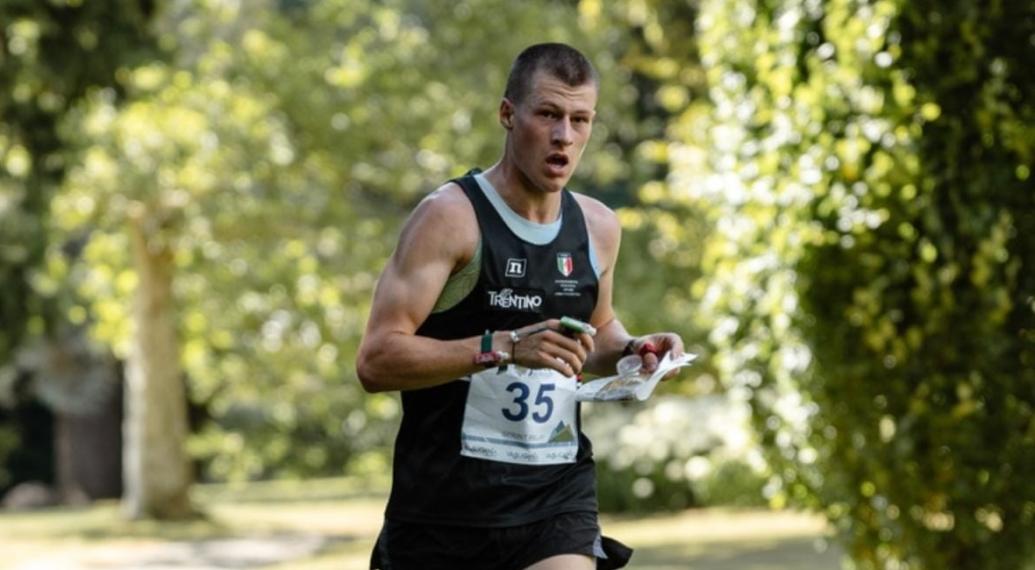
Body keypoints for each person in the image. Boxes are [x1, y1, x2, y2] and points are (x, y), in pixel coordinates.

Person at [356, 42, 685, 570]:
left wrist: (634, 351)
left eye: (580, 120)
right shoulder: (450, 217)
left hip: (554, 497)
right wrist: (504, 348)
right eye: (548, 114)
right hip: (443, 509)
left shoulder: (599, 227)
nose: (565, 136)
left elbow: (597, 332)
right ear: (508, 114)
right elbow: (376, 360)